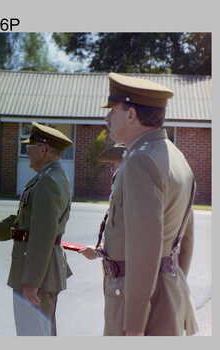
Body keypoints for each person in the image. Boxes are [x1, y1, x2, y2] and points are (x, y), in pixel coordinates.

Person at [82, 73, 198, 336]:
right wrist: (171, 282)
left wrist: (133, 326)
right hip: (167, 292)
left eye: (113, 110)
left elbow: (144, 251)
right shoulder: (176, 155)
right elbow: (186, 241)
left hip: (138, 307)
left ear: (131, 114)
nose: (107, 118)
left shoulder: (139, 161)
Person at [0, 122, 74, 336]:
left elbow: (43, 235)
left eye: (30, 146)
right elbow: (24, 221)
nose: (27, 151)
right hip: (42, 272)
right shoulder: (50, 177)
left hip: (37, 276)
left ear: (43, 149)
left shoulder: (47, 182)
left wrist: (31, 283)